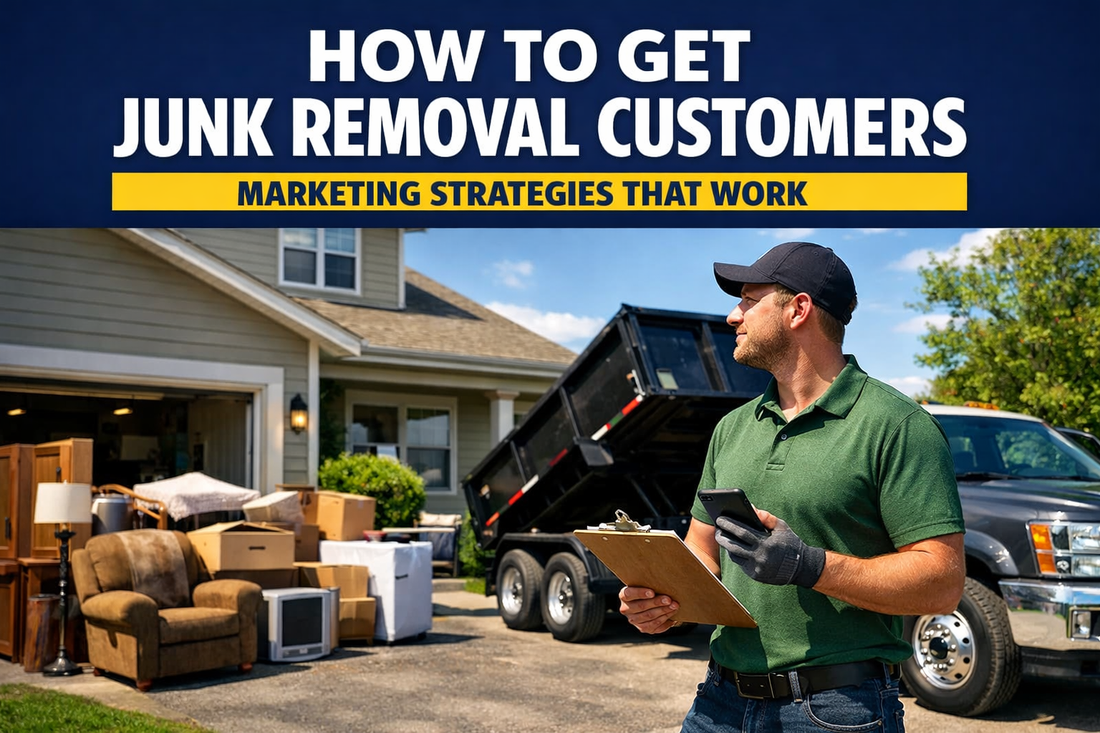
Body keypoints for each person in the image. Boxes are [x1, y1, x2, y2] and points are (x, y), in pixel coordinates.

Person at [619, 241, 965, 733]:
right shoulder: (733, 428)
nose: (732, 316)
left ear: (798, 309)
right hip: (718, 701)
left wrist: (808, 565)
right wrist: (662, 603)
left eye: (748, 300)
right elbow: (702, 550)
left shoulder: (897, 425)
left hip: (836, 709)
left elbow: (943, 583)